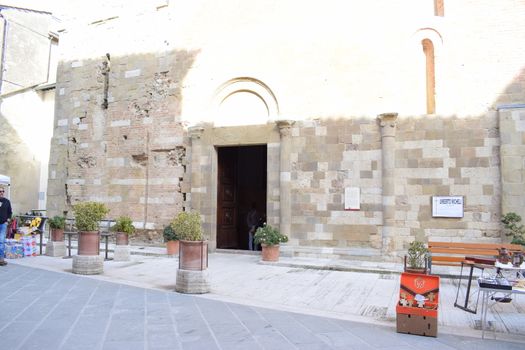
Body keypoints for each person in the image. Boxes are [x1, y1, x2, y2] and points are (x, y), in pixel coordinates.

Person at [0, 186, 12, 266]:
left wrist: (8, 220)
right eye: (0, 191)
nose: (1, 192)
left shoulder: (7, 201)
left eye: (2, 191)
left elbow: (10, 212)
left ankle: (1, 259)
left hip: (3, 224)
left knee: (1, 241)